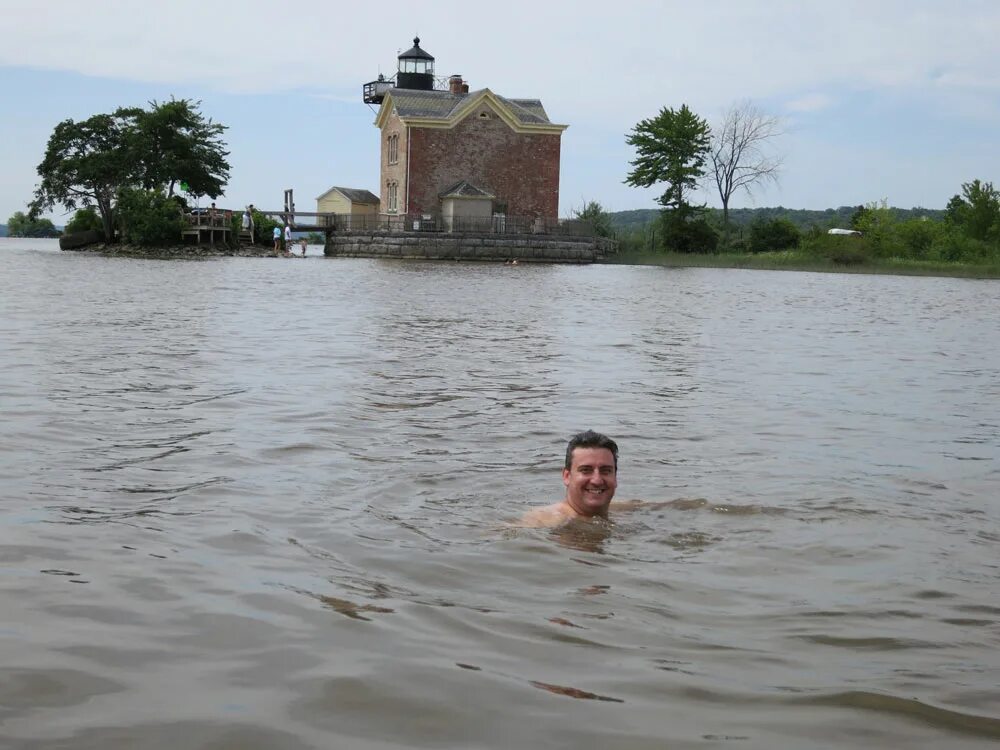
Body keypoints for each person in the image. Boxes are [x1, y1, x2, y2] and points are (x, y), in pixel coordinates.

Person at [519, 430, 621, 527]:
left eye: (605, 471)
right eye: (586, 470)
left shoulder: (619, 510)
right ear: (567, 476)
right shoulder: (546, 521)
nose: (597, 480)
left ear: (615, 477)